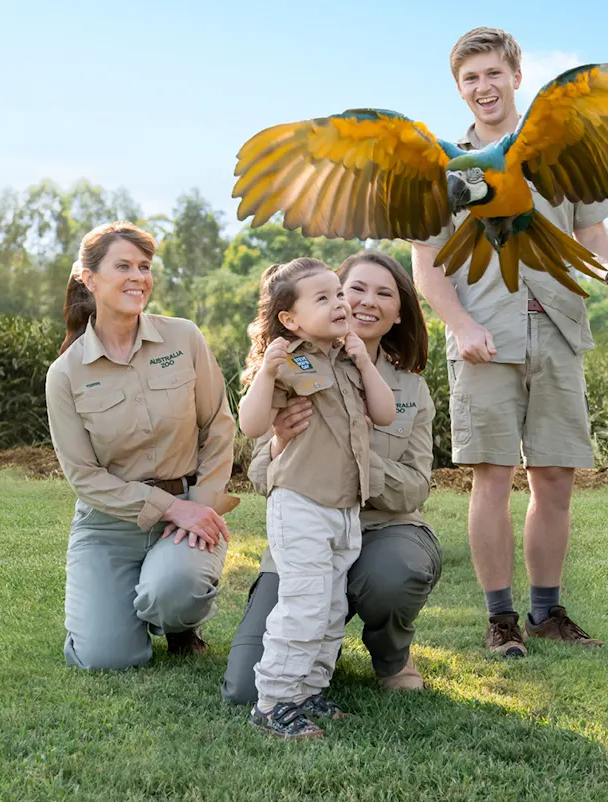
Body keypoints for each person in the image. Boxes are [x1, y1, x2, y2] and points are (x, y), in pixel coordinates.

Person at [411, 27, 608, 658]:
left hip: (559, 326)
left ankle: (547, 611)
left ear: (516, 76)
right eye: (470, 79)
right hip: (483, 335)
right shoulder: (444, 166)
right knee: (490, 477)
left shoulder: (557, 148)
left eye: (493, 74)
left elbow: (592, 230)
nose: (483, 88)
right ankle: (501, 620)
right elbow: (426, 262)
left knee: (554, 480)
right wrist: (460, 326)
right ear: (459, 89)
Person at [221, 250, 441, 706]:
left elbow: (416, 487)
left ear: (400, 313)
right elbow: (261, 473)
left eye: (384, 293)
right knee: (245, 686)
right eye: (351, 288)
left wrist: (352, 457)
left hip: (381, 530)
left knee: (393, 575)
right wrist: (282, 441)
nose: (362, 302)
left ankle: (391, 655)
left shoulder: (409, 388)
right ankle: (289, 691)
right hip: (305, 524)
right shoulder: (296, 367)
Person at [45, 221, 239, 670]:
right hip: (109, 526)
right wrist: (168, 509)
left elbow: (219, 426)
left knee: (174, 592)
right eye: (124, 266)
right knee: (105, 658)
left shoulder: (183, 337)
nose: (139, 277)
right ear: (89, 279)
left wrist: (201, 507)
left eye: (145, 267)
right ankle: (120, 609)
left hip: (190, 501)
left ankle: (178, 621)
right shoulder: (66, 374)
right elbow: (85, 478)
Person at [236, 257, 396, 739]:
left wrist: (365, 360)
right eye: (323, 297)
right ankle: (274, 701)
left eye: (338, 293)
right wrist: (266, 373)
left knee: (329, 609)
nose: (340, 303)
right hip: (301, 503)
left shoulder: (349, 359)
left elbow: (385, 415)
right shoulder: (287, 361)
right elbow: (251, 425)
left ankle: (309, 690)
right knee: (303, 604)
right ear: (290, 318)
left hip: (344, 508)